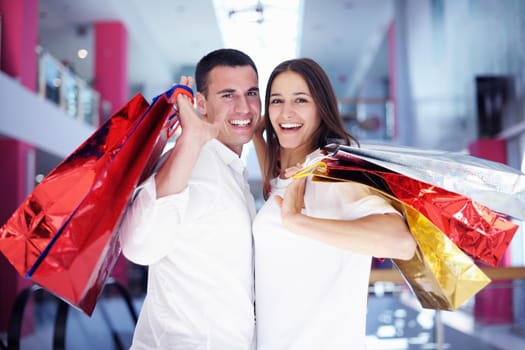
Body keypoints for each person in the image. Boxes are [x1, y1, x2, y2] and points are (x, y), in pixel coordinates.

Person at [252, 58, 417, 350]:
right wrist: (255, 135)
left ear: (321, 108)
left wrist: (297, 221)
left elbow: (401, 244)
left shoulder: (334, 175)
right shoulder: (287, 178)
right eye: (277, 101)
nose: (286, 111)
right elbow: (278, 182)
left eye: (300, 100)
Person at [119, 48, 261, 350]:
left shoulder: (231, 169)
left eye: (251, 92)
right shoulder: (190, 161)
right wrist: (191, 141)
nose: (244, 107)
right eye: (227, 95)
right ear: (200, 103)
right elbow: (138, 246)